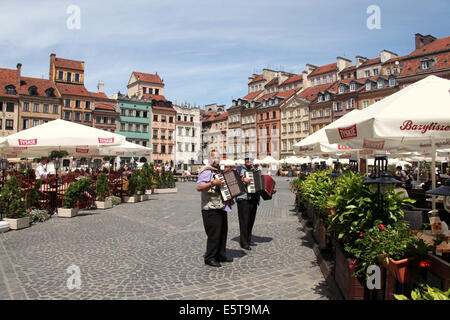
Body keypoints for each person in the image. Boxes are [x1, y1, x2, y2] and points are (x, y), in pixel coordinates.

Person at [196, 150, 234, 267]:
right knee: (214, 234)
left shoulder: (219, 171)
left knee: (223, 232)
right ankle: (210, 257)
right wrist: (213, 183)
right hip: (210, 208)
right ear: (210, 159)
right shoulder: (206, 171)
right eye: (214, 158)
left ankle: (220, 254)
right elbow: (199, 187)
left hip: (221, 206)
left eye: (218, 158)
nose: (217, 160)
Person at [236, 154, 260, 250]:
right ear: (244, 160)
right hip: (243, 198)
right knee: (244, 221)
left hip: (253, 198)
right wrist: (243, 180)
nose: (248, 161)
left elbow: (259, 183)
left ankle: (248, 239)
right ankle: (243, 242)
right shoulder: (239, 170)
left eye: (250, 159)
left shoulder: (255, 171)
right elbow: (234, 181)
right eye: (246, 159)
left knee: (250, 220)